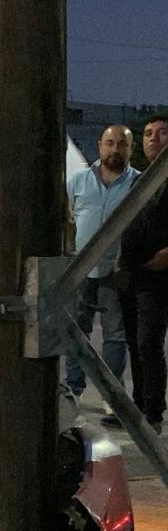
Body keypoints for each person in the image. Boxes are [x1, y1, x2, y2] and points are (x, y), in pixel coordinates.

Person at [65, 125, 138, 422]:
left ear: (130, 149)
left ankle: (111, 396)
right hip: (80, 269)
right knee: (75, 332)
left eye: (122, 144)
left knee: (115, 337)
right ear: (99, 146)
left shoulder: (138, 185)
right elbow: (66, 220)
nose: (115, 149)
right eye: (110, 143)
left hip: (116, 270)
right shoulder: (78, 182)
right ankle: (73, 389)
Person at [117, 114, 168, 430]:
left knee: (149, 342)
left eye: (162, 133)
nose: (154, 139)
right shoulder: (139, 179)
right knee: (135, 342)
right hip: (132, 274)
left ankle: (153, 412)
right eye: (148, 133)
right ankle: (138, 405)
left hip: (159, 277)